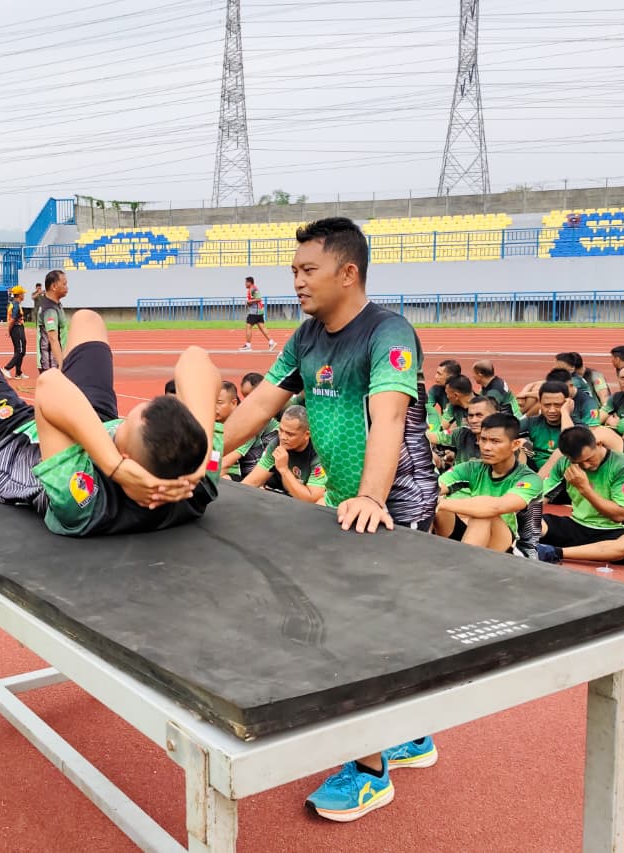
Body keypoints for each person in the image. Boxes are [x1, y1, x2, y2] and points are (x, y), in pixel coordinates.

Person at [221, 217, 439, 823]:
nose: (295, 281)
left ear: (348, 272)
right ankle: (412, 732)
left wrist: (372, 497)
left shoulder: (388, 331)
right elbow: (260, 405)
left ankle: (370, 773)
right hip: (348, 498)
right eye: (292, 270)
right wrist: (210, 460)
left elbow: (389, 418)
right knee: (377, 622)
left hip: (396, 497)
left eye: (306, 270)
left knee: (357, 627)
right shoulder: (306, 336)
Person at [0, 309, 222, 537]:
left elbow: (50, 383)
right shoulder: (192, 476)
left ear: (127, 459)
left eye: (132, 420)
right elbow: (196, 358)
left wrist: (114, 466)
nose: (134, 412)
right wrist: (204, 456)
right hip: (90, 419)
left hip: (15, 441)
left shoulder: (84, 501)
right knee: (88, 320)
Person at [433, 413, 542, 558]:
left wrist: (442, 503)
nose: (486, 447)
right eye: (483, 440)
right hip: (478, 538)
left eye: (495, 441)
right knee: (434, 505)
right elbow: (434, 488)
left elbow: (495, 507)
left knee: (484, 515)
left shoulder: (530, 479)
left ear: (515, 444)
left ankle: (460, 566)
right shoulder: (472, 467)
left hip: (514, 551)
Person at [536, 426, 624, 565]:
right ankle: (580, 551)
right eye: (578, 462)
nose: (586, 466)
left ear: (599, 444)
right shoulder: (565, 463)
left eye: (589, 458)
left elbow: (619, 515)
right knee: (525, 521)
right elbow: (541, 497)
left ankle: (555, 552)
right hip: (576, 524)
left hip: (614, 530)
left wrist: (585, 489)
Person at [241, 405, 327, 502]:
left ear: (307, 435)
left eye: (290, 434)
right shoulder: (276, 443)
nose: (283, 437)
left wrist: (284, 470)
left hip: (311, 503)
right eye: (281, 430)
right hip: (284, 494)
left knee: (321, 502)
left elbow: (312, 500)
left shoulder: (319, 453)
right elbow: (252, 482)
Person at [430, 394, 493, 468]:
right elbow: (434, 436)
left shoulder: (500, 445)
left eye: (479, 415)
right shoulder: (462, 433)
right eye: (471, 416)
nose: (474, 420)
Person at [36, 269, 68, 373]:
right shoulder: (50, 310)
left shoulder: (55, 304)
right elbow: (53, 338)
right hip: (51, 364)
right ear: (54, 286)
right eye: (64, 284)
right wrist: (61, 363)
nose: (67, 287)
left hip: (54, 362)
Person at [239, 275, 275, 352]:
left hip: (255, 312)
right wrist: (248, 303)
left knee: (248, 326)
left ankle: (248, 346)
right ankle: (271, 342)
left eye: (246, 282)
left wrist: (249, 302)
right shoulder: (251, 289)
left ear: (249, 282)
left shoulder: (254, 289)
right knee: (262, 327)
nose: (245, 284)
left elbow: (258, 299)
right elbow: (254, 300)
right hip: (258, 311)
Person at [2, 285, 28, 379]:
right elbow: (13, 320)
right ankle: (6, 368)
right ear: (19, 295)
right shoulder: (15, 305)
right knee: (20, 351)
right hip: (17, 329)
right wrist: (9, 330)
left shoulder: (14, 303)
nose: (24, 295)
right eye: (23, 294)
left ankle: (18, 372)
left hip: (18, 328)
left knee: (21, 351)